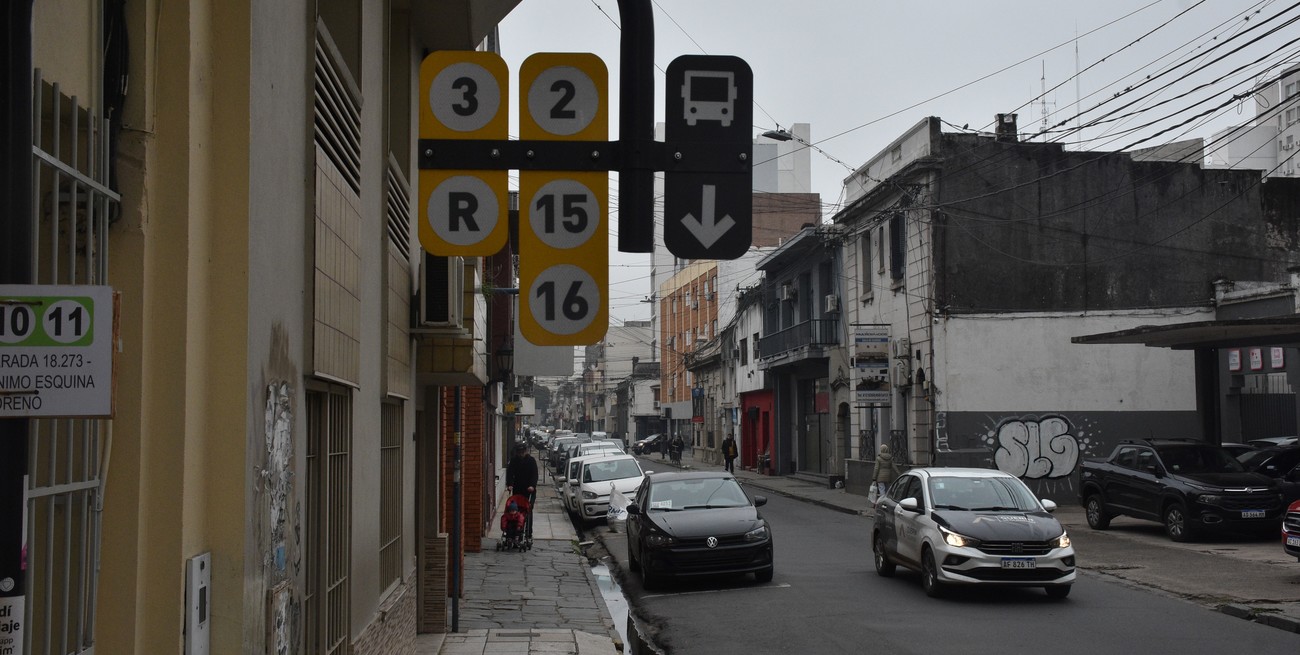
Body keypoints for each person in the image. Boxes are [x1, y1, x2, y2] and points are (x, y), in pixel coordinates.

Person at [505, 443, 538, 537]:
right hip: (518, 489)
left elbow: (534, 474)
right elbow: (510, 473)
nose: (521, 454)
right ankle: (516, 530)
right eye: (519, 452)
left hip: (529, 490)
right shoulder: (514, 460)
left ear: (526, 451)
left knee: (528, 509)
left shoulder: (531, 461)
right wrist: (510, 484)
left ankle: (528, 532)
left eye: (522, 452)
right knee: (516, 509)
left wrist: (532, 485)